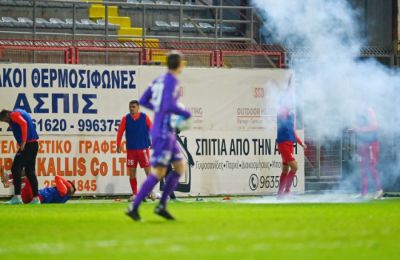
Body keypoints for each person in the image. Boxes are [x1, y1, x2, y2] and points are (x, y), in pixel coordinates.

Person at [126, 51, 191, 221]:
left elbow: (143, 99)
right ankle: (135, 205)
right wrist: (184, 112)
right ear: (179, 64)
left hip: (165, 130)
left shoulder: (159, 80)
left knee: (180, 166)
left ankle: (161, 205)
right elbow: (169, 104)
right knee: (159, 171)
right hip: (163, 131)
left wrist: (158, 108)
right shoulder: (172, 81)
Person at [0, 109, 40, 204]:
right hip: (34, 144)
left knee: (15, 168)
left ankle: (17, 197)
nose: (6, 122)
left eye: (4, 120)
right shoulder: (20, 112)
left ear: (7, 115)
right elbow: (23, 124)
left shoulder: (14, 114)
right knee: (30, 172)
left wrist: (23, 141)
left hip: (28, 145)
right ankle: (36, 198)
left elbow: (24, 124)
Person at [116, 100, 154, 201]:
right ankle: (135, 194)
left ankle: (150, 191)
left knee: (148, 172)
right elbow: (120, 132)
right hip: (131, 150)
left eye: (133, 107)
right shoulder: (126, 119)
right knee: (132, 173)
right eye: (130, 107)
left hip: (143, 149)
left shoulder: (144, 117)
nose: (131, 109)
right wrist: (118, 144)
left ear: (138, 108)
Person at [276, 88, 307, 198]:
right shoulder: (280, 113)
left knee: (285, 169)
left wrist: (300, 143)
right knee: (295, 167)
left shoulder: (291, 115)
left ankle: (280, 194)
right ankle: (286, 191)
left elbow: (293, 131)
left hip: (290, 145)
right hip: (283, 144)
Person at [353, 107, 383, 199]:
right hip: (363, 143)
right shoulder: (357, 112)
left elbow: (375, 126)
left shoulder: (369, 111)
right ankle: (363, 192)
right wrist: (354, 129)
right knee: (363, 168)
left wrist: (360, 129)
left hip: (372, 143)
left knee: (371, 166)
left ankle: (379, 190)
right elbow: (356, 127)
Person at [1, 168, 76, 204]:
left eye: (69, 184)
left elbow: (57, 177)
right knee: (27, 173)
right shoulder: (61, 194)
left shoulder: (64, 192)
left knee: (30, 175)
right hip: (31, 197)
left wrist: (67, 183)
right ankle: (8, 179)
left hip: (35, 198)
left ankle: (8, 180)